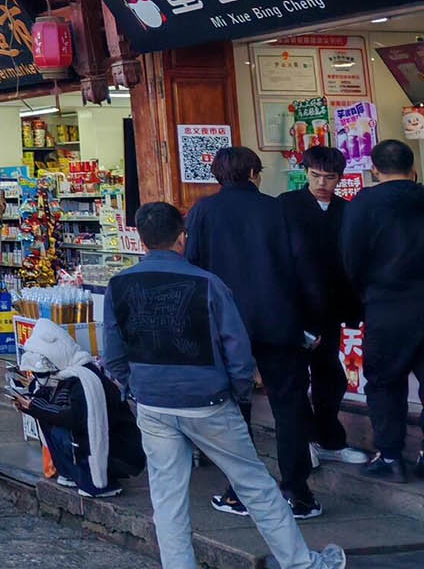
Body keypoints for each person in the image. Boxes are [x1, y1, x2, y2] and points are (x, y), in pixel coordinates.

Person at [105, 201, 346, 569]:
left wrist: (132, 387)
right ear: (182, 238)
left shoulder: (119, 285)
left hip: (153, 401)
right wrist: (239, 391)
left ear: (142, 240)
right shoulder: (207, 284)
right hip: (208, 399)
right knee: (256, 486)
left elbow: (113, 351)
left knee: (168, 498)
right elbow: (237, 350)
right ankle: (302, 563)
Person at [186, 145, 324, 518]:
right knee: (290, 406)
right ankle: (298, 492)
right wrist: (312, 322)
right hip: (281, 322)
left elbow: (194, 270)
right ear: (253, 174)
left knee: (233, 411)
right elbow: (305, 269)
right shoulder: (279, 209)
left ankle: (240, 492)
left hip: (226, 327)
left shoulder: (202, 212)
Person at [280, 144, 368, 467]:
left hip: (333, 306)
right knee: (293, 379)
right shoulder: (286, 206)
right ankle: (306, 441)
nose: (321, 183)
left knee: (330, 376)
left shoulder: (347, 211)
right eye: (315, 175)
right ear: (305, 172)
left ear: (339, 179)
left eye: (329, 177)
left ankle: (330, 438)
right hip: (294, 306)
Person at [343, 139, 424, 481]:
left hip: (386, 306)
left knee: (384, 383)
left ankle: (390, 456)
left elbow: (350, 258)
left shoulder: (363, 202)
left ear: (374, 169)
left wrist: (362, 296)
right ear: (414, 168)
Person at [9, 319, 143, 497]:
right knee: (51, 425)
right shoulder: (61, 377)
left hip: (118, 449)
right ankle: (72, 473)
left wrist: (35, 407)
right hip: (100, 442)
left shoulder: (85, 379)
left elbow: (76, 418)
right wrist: (28, 404)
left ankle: (94, 479)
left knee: (63, 430)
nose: (37, 377)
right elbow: (48, 404)